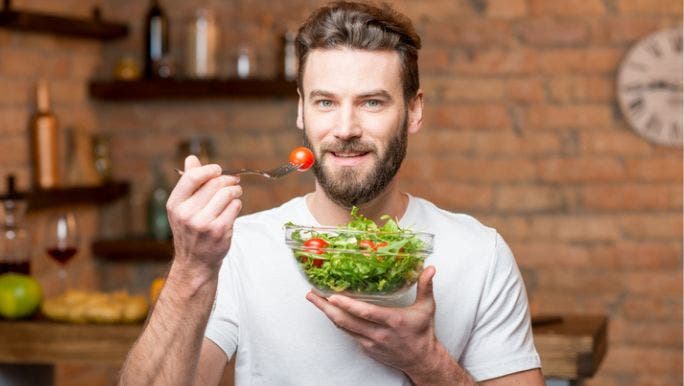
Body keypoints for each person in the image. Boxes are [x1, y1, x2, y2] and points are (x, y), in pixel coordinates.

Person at [119, 2, 544, 385]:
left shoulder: (480, 254)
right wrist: (191, 269)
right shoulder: (239, 249)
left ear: (413, 111)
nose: (345, 128)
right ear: (300, 110)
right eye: (325, 102)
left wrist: (426, 361)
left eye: (372, 102)